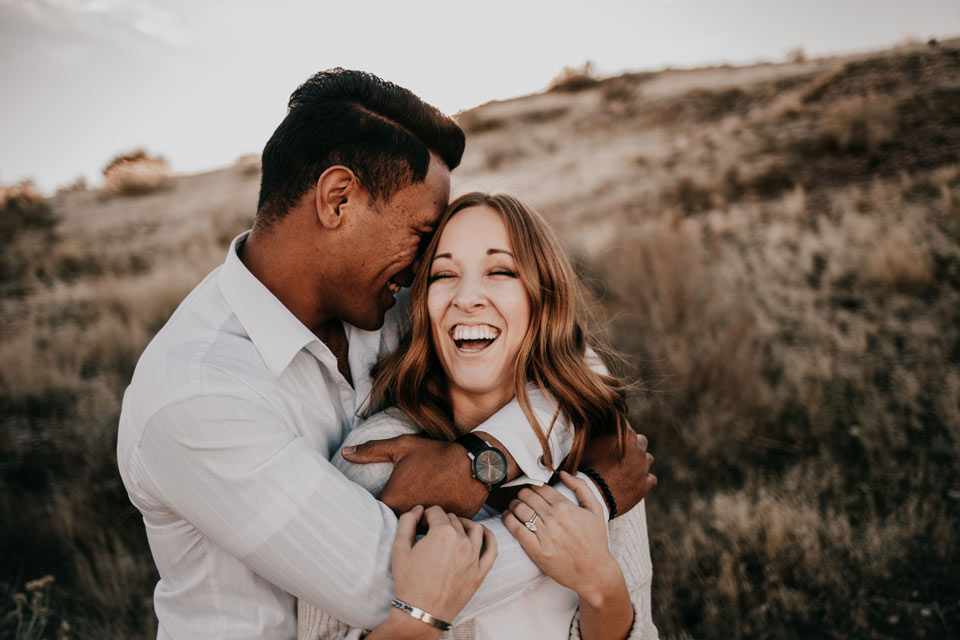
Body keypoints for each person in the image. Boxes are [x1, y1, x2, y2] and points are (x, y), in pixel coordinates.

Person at [116, 69, 655, 639]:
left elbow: (558, 355)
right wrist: (593, 504)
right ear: (338, 199)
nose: (429, 268)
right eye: (423, 234)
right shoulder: (194, 392)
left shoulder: (386, 304)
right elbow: (383, 583)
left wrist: (487, 455)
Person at [299, 193, 657, 639]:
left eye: (500, 271)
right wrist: (419, 620)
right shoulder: (373, 460)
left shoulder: (599, 453)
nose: (467, 298)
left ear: (542, 299)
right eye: (444, 274)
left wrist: (603, 589)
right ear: (424, 305)